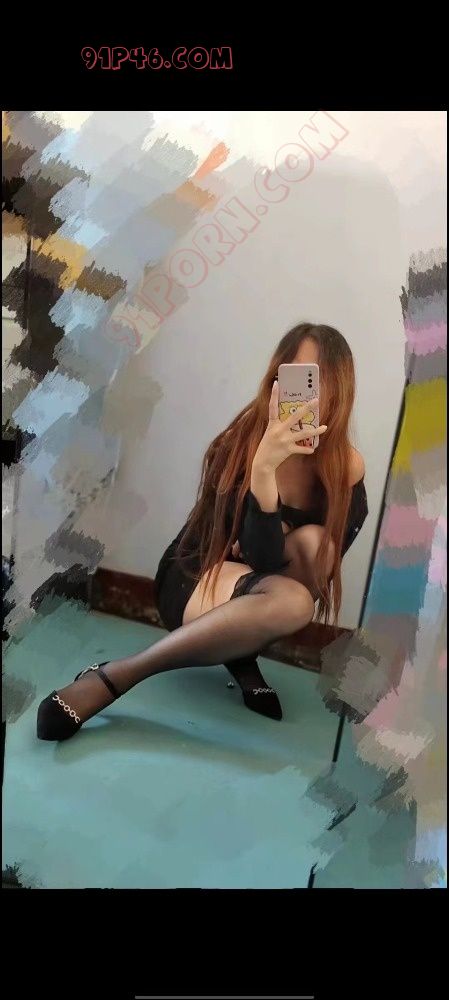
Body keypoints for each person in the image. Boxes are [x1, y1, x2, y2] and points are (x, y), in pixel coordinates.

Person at [37, 323, 368, 741]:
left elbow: (308, 567)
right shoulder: (240, 444)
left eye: (322, 382)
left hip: (268, 590)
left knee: (315, 551)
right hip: (194, 577)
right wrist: (264, 470)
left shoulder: (344, 468)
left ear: (342, 390)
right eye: (301, 379)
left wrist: (275, 534)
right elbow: (254, 556)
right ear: (277, 381)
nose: (310, 398)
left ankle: (240, 654)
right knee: (292, 596)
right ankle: (118, 675)